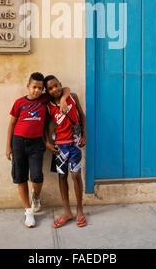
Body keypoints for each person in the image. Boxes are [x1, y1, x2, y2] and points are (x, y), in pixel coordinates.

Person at [6, 72, 70, 228]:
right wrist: (8, 146)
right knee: (20, 177)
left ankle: (36, 196)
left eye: (40, 88)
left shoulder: (44, 100)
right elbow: (12, 124)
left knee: (37, 177)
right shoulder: (19, 103)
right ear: (28, 86)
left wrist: (62, 100)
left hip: (36, 143)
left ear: (43, 90)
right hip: (18, 142)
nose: (36, 91)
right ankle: (28, 211)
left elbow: (67, 89)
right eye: (34, 87)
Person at [44, 75, 87, 228]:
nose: (54, 89)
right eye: (50, 88)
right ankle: (67, 211)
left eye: (56, 85)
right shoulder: (48, 106)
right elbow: (47, 125)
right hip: (60, 146)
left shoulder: (72, 97)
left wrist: (85, 134)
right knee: (62, 177)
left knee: (76, 175)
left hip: (74, 143)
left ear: (60, 84)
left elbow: (82, 116)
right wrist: (48, 143)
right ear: (47, 91)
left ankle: (80, 210)